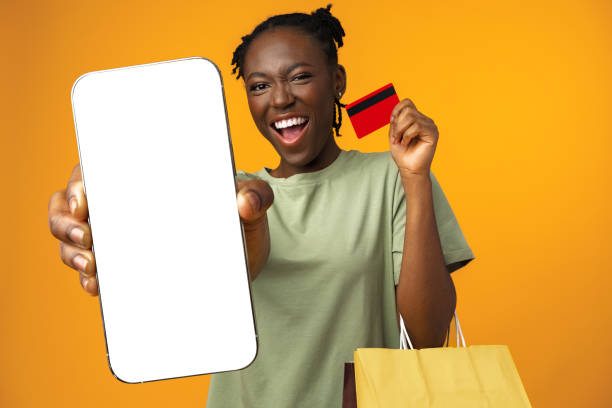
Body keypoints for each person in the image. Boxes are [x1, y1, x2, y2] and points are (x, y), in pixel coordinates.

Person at [47, 4, 474, 407]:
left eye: (300, 76)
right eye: (259, 86)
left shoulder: (393, 177)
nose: (280, 99)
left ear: (337, 80)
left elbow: (427, 337)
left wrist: (416, 178)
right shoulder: (223, 192)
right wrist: (100, 203)